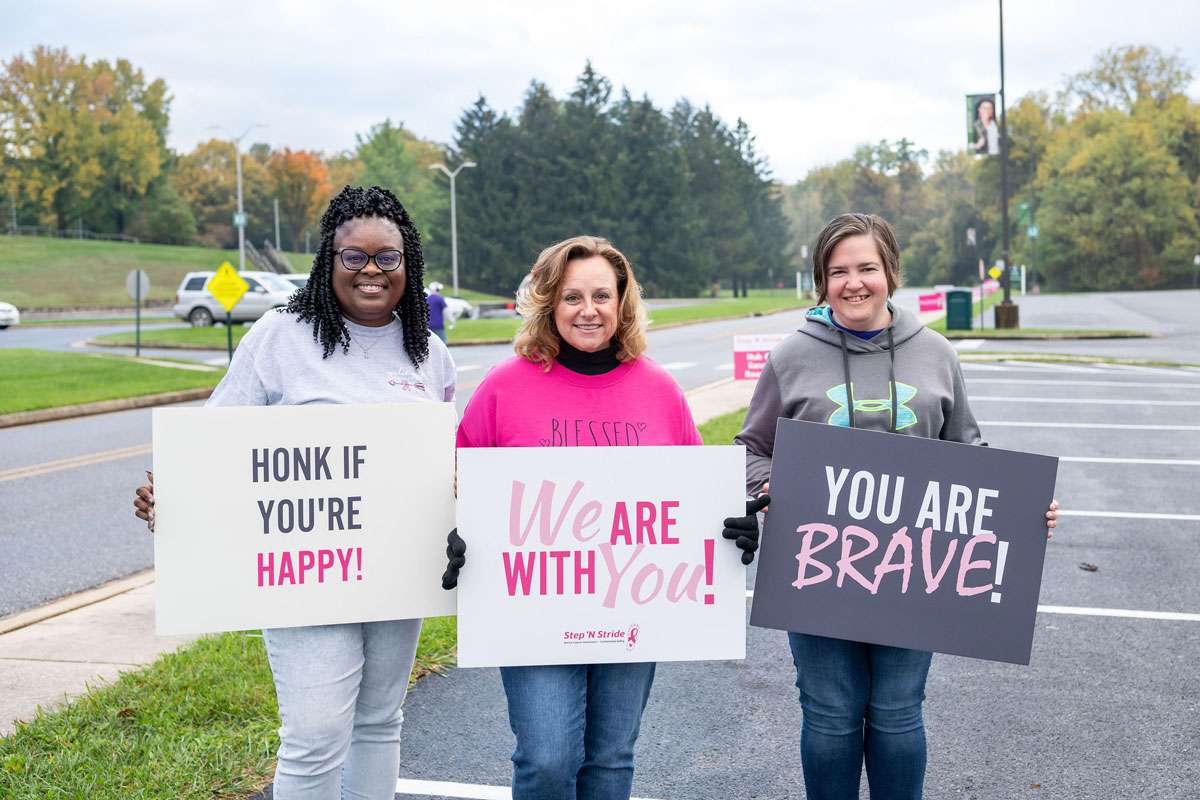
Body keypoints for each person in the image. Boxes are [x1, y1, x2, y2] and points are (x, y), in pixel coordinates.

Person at [133, 185, 456, 800]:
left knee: (380, 721)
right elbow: (214, 443)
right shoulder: (281, 336)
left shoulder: (429, 354)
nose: (371, 271)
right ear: (327, 261)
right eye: (353, 256)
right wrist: (170, 491)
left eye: (387, 257)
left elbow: (440, 462)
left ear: (407, 263)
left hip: (395, 570)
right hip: (303, 574)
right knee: (314, 733)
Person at [733, 213, 1057, 800]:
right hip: (817, 569)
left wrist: (1021, 510)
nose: (853, 283)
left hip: (913, 573)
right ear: (820, 282)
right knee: (830, 713)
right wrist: (767, 487)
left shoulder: (934, 352)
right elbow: (752, 448)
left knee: (898, 712)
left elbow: (968, 451)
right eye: (838, 272)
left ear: (891, 273)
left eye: (866, 268)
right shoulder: (791, 356)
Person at [440, 235, 763, 800]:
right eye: (571, 297)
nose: (588, 310)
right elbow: (458, 485)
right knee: (547, 759)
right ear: (546, 303)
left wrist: (732, 526)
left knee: (611, 761)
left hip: (632, 606)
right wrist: (456, 530)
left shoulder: (658, 389)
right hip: (532, 610)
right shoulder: (503, 388)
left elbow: (694, 498)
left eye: (601, 295)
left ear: (623, 302)